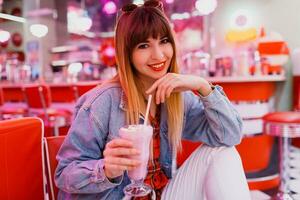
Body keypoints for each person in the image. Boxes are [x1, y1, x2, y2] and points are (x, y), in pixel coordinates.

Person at [55, 1, 251, 199]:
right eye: (144, 45)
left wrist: (203, 86)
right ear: (127, 54)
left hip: (162, 194)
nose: (158, 55)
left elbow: (230, 136)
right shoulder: (101, 103)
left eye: (164, 41)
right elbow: (64, 174)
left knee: (224, 153)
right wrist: (106, 170)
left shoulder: (177, 97)